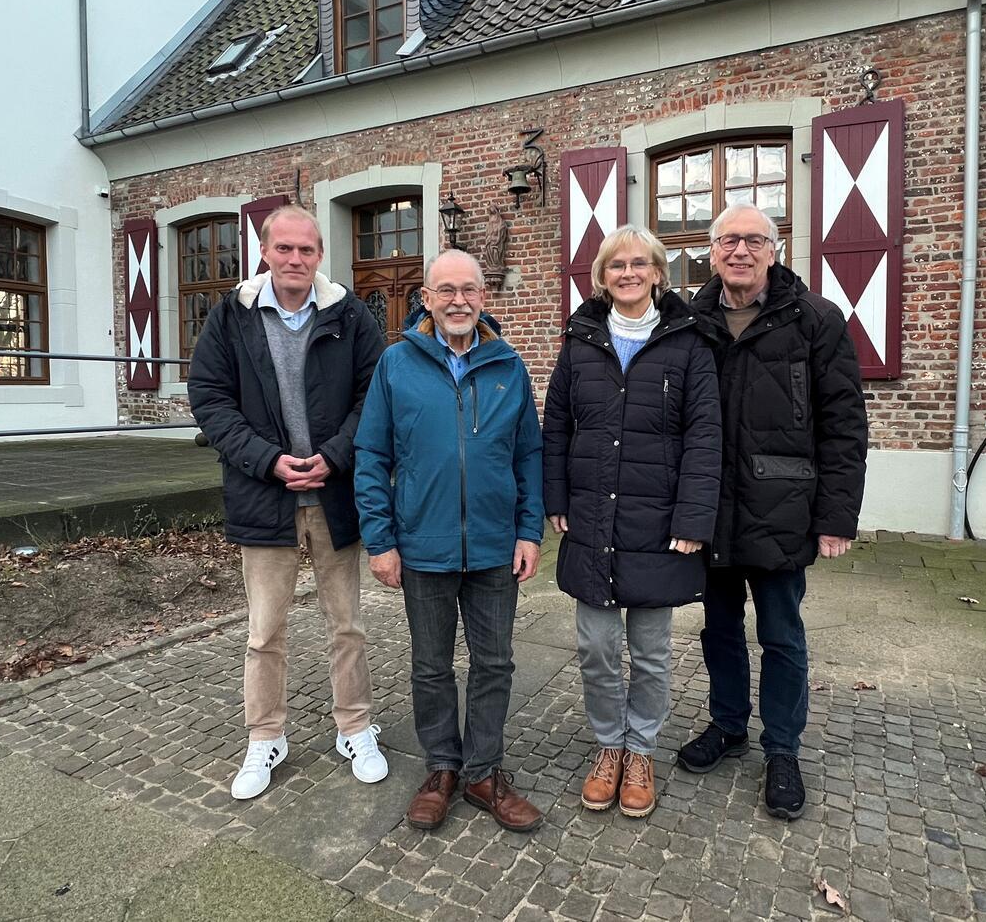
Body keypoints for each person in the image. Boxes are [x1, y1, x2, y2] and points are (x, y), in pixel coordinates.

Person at [187, 204, 389, 800]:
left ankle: (354, 726)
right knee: (263, 631)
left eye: (306, 250)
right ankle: (264, 737)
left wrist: (336, 455)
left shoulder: (351, 316)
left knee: (347, 625)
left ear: (319, 255)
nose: (295, 259)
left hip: (334, 493)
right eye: (284, 249)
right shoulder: (231, 318)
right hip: (263, 494)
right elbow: (210, 398)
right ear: (266, 252)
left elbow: (373, 395)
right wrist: (266, 460)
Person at [677, 202, 868, 820]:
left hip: (782, 506)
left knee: (781, 634)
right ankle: (728, 726)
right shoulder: (688, 321)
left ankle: (782, 748)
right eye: (728, 240)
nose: (740, 251)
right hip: (711, 509)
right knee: (720, 629)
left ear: (775, 249)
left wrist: (837, 516)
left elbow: (844, 424)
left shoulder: (815, 319)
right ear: (711, 252)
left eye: (754, 240)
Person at [354, 248, 545, 832]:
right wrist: (379, 540)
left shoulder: (509, 365)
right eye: (446, 290)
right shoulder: (396, 365)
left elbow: (529, 455)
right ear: (428, 299)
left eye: (470, 290)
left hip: (493, 546)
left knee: (494, 664)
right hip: (423, 545)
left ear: (483, 298)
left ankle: (483, 771)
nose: (459, 300)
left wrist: (529, 530)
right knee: (431, 666)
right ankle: (441, 767)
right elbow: (371, 455)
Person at [543, 225, 720, 819]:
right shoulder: (579, 340)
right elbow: (557, 428)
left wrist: (695, 517)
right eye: (616, 264)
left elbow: (704, 437)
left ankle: (641, 749)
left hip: (658, 520)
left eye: (639, 263)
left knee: (650, 650)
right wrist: (556, 497)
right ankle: (607, 746)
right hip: (592, 514)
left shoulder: (688, 343)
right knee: (596, 647)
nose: (627, 273)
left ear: (657, 273)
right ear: (601, 276)